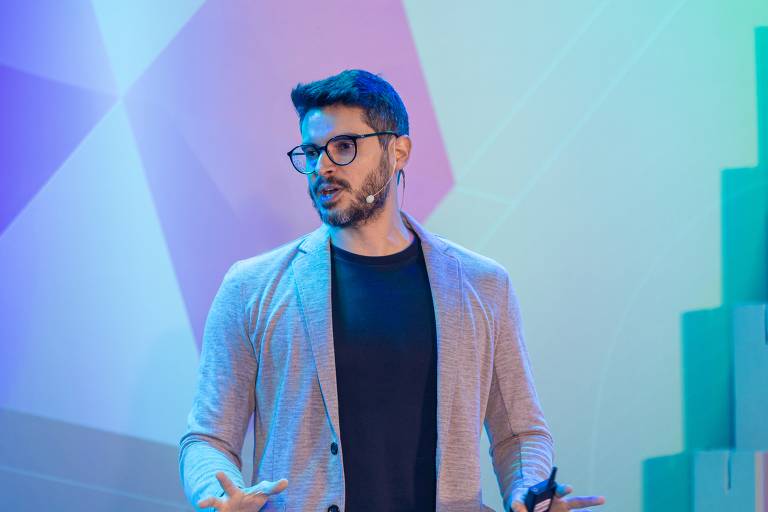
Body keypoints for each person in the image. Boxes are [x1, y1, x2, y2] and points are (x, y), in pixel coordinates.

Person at [179, 69, 606, 512]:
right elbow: (207, 438)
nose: (322, 166)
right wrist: (217, 496)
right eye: (311, 151)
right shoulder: (252, 287)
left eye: (343, 147)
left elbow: (521, 435)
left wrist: (528, 493)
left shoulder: (481, 285)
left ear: (397, 150)